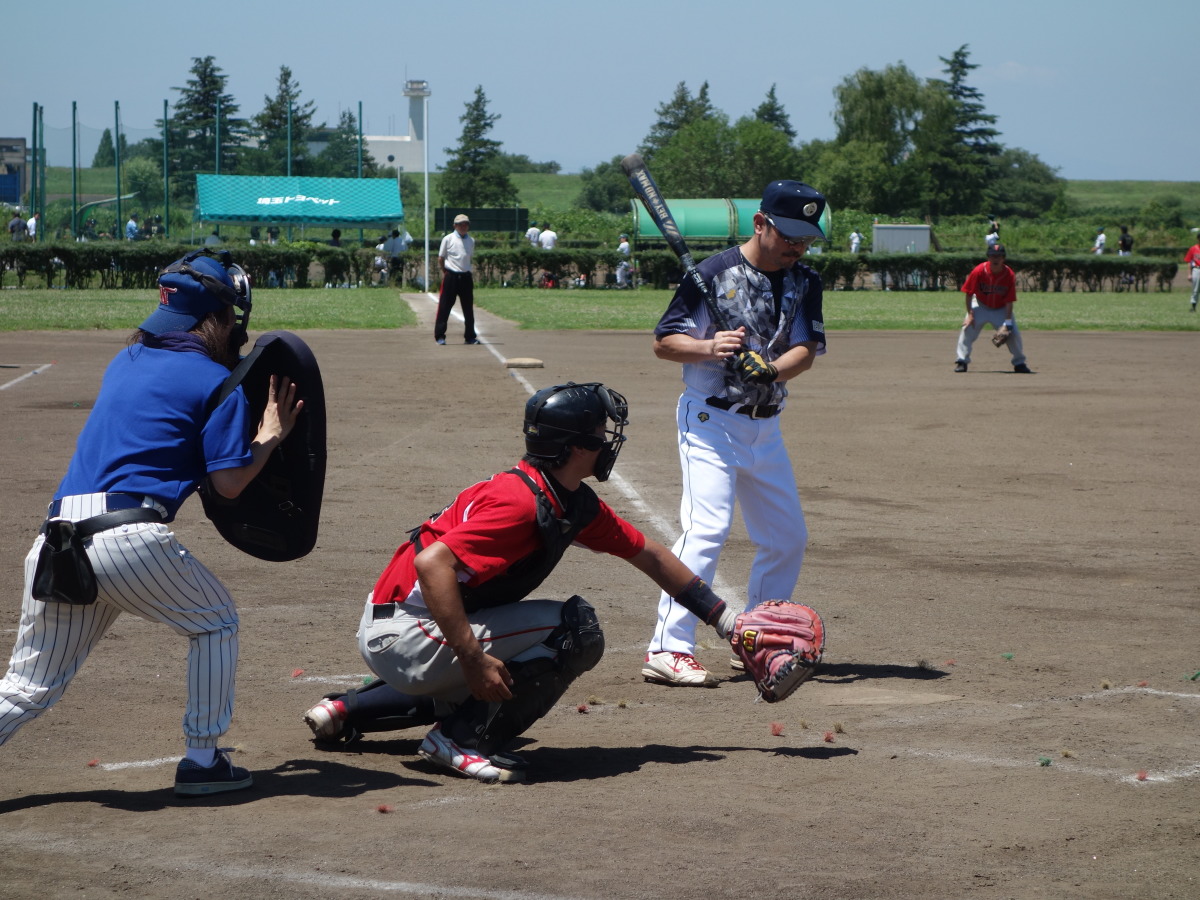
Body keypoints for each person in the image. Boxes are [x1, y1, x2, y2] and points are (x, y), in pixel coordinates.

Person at [301, 382, 742, 782]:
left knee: (502, 668)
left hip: (404, 626)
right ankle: (458, 740)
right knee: (575, 630)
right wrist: (473, 658)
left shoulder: (560, 497)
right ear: (577, 446)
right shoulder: (520, 504)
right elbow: (432, 565)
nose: (609, 441)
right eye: (600, 432)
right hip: (406, 631)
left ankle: (346, 709)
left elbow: (651, 555)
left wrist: (729, 625)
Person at [0, 251, 304, 796]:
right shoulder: (217, 381)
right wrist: (269, 436)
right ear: (216, 319)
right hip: (127, 540)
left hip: (56, 538)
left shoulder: (126, 360)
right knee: (215, 623)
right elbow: (229, 485)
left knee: (26, 686)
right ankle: (203, 762)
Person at [641, 179, 827, 687]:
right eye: (789, 236)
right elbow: (663, 342)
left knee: (787, 537)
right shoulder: (711, 274)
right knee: (707, 529)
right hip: (710, 421)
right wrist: (710, 347)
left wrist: (770, 370)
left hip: (766, 427)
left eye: (805, 239)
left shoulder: (804, 280)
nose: (797, 247)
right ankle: (667, 648)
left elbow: (806, 350)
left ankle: (759, 640)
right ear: (760, 223)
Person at [953, 243, 1033, 374]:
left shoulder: (1009, 274)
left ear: (1003, 258)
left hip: (1000, 309)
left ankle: (1019, 363)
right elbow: (968, 294)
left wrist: (1007, 323)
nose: (995, 259)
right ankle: (961, 361)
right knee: (967, 329)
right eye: (992, 256)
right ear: (988, 257)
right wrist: (970, 315)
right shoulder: (979, 271)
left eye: (999, 256)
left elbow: (1009, 300)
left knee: (1013, 333)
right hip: (980, 305)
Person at [435, 214, 480, 345]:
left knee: (468, 308)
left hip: (466, 277)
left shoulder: (471, 240)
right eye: (460, 224)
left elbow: (468, 257)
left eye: (466, 224)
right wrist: (445, 271)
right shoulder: (448, 239)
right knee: (444, 307)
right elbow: (441, 258)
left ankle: (470, 336)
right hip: (451, 276)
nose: (463, 226)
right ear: (455, 226)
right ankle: (440, 336)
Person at [1184, 233, 1200, 312]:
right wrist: (1189, 274)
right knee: (1195, 289)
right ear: (1198, 239)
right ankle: (1193, 307)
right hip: (1197, 269)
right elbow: (1189, 261)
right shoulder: (1193, 249)